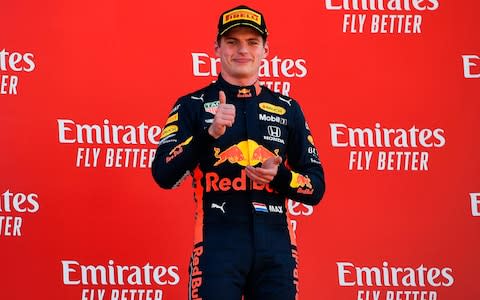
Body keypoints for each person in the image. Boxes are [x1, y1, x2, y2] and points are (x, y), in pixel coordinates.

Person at [151, 5, 325, 300]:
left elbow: (316, 187)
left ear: (265, 50)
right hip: (217, 247)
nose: (242, 50)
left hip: (277, 250)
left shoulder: (288, 109)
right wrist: (208, 136)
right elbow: (163, 174)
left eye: (252, 42)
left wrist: (281, 176)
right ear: (217, 48)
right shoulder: (191, 104)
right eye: (232, 42)